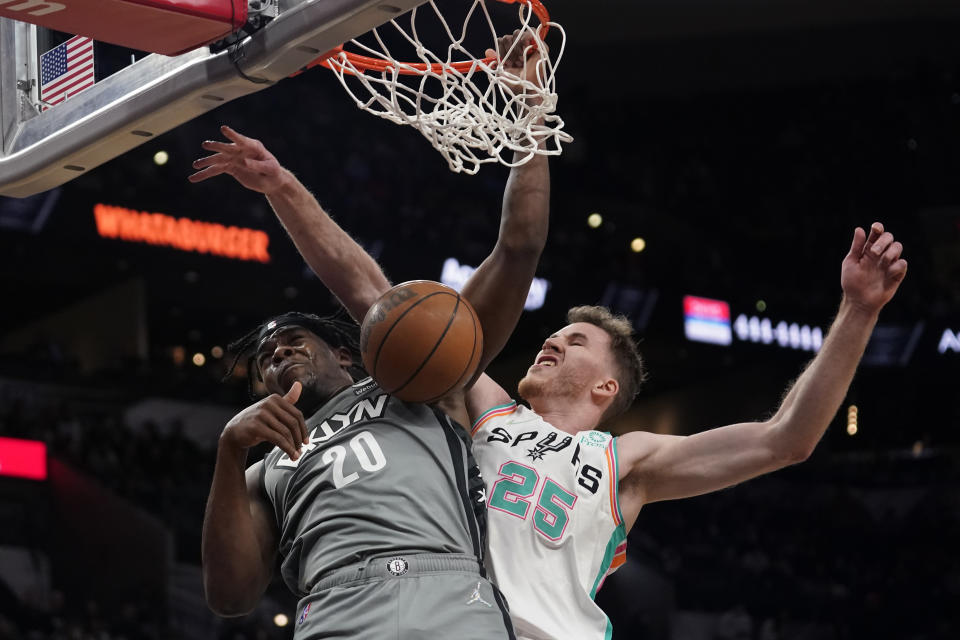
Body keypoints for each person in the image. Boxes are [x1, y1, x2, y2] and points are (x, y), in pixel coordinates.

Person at [194, 36, 549, 640]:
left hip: (449, 598)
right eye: (266, 358)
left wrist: (527, 109)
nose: (277, 351)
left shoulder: (424, 384)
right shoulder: (268, 466)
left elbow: (518, 247)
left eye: (294, 339)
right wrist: (230, 452)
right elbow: (230, 596)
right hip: (334, 611)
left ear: (347, 353)